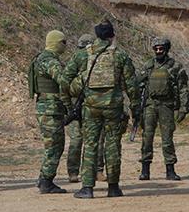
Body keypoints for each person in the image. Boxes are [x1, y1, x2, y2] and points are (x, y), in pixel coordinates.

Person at [70, 20, 137, 199]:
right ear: (112, 36)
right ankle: (113, 188)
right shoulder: (120, 55)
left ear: (96, 36)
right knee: (113, 145)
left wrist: (71, 96)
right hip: (113, 108)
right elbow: (132, 85)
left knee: (90, 145)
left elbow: (65, 78)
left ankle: (87, 188)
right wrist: (135, 108)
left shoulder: (83, 55)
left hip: (91, 108)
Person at [137, 37, 189, 181]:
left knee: (167, 139)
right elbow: (137, 85)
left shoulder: (175, 66)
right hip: (150, 105)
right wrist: (136, 107)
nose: (158, 51)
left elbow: (183, 88)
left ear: (166, 49)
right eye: (156, 49)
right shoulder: (148, 66)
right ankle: (145, 170)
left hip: (166, 106)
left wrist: (183, 108)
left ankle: (170, 170)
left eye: (161, 48)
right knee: (147, 138)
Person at [29, 30, 72, 194]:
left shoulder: (42, 58)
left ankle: (44, 179)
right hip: (50, 109)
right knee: (54, 146)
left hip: (48, 108)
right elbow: (63, 80)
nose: (65, 46)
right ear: (56, 43)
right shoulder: (49, 61)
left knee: (54, 145)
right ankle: (46, 181)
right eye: (63, 42)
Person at [64, 34, 97, 183]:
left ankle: (85, 172)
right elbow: (65, 80)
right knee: (82, 140)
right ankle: (76, 172)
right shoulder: (78, 58)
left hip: (90, 103)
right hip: (78, 103)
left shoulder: (98, 58)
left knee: (85, 140)